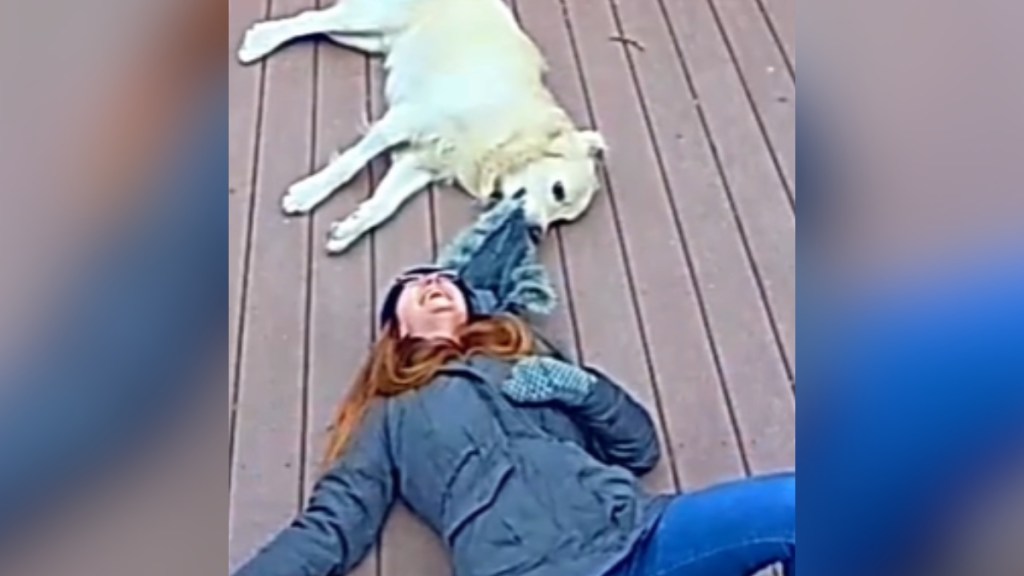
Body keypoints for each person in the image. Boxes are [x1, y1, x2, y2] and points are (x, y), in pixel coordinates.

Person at [232, 262, 796, 576]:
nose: (433, 283)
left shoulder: (527, 359)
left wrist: (578, 386)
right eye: (413, 284)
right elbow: (331, 526)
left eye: (444, 279)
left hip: (640, 536)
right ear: (396, 328)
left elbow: (639, 447)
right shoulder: (391, 415)